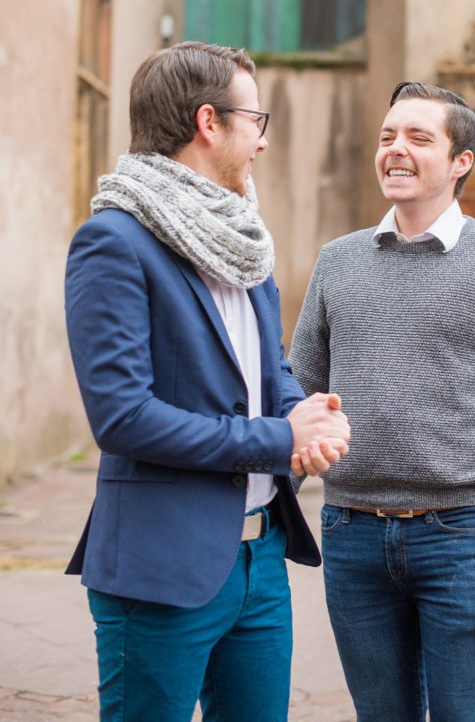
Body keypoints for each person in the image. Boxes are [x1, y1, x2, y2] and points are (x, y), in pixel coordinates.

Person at [65, 41, 350, 722]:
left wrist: (306, 416)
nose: (262, 142)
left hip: (262, 564)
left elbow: (268, 372)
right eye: (257, 120)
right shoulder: (115, 241)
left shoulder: (241, 236)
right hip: (161, 567)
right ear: (209, 122)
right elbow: (123, 417)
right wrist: (276, 437)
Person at [290, 81, 475, 722]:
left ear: (461, 161)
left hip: (464, 537)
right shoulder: (338, 262)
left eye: (418, 137)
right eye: (388, 136)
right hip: (351, 534)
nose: (396, 150)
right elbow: (296, 390)